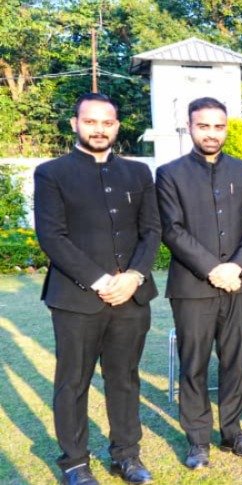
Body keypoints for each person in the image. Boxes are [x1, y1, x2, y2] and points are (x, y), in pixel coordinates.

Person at [34, 93, 161, 485]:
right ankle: (75, 463)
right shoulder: (51, 173)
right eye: (90, 121)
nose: (99, 129)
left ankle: (127, 456)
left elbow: (152, 230)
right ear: (75, 123)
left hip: (132, 297)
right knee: (73, 382)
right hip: (76, 300)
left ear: (117, 126)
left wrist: (134, 276)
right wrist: (103, 281)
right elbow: (52, 236)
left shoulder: (138, 173)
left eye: (107, 122)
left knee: (125, 379)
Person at [156, 97, 242, 469]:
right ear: (190, 127)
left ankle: (233, 432)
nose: (212, 133)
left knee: (235, 361)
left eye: (219, 126)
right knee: (194, 364)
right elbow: (171, 229)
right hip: (192, 286)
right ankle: (198, 440)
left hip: (239, 283)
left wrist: (236, 266)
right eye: (204, 126)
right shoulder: (169, 174)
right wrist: (212, 268)